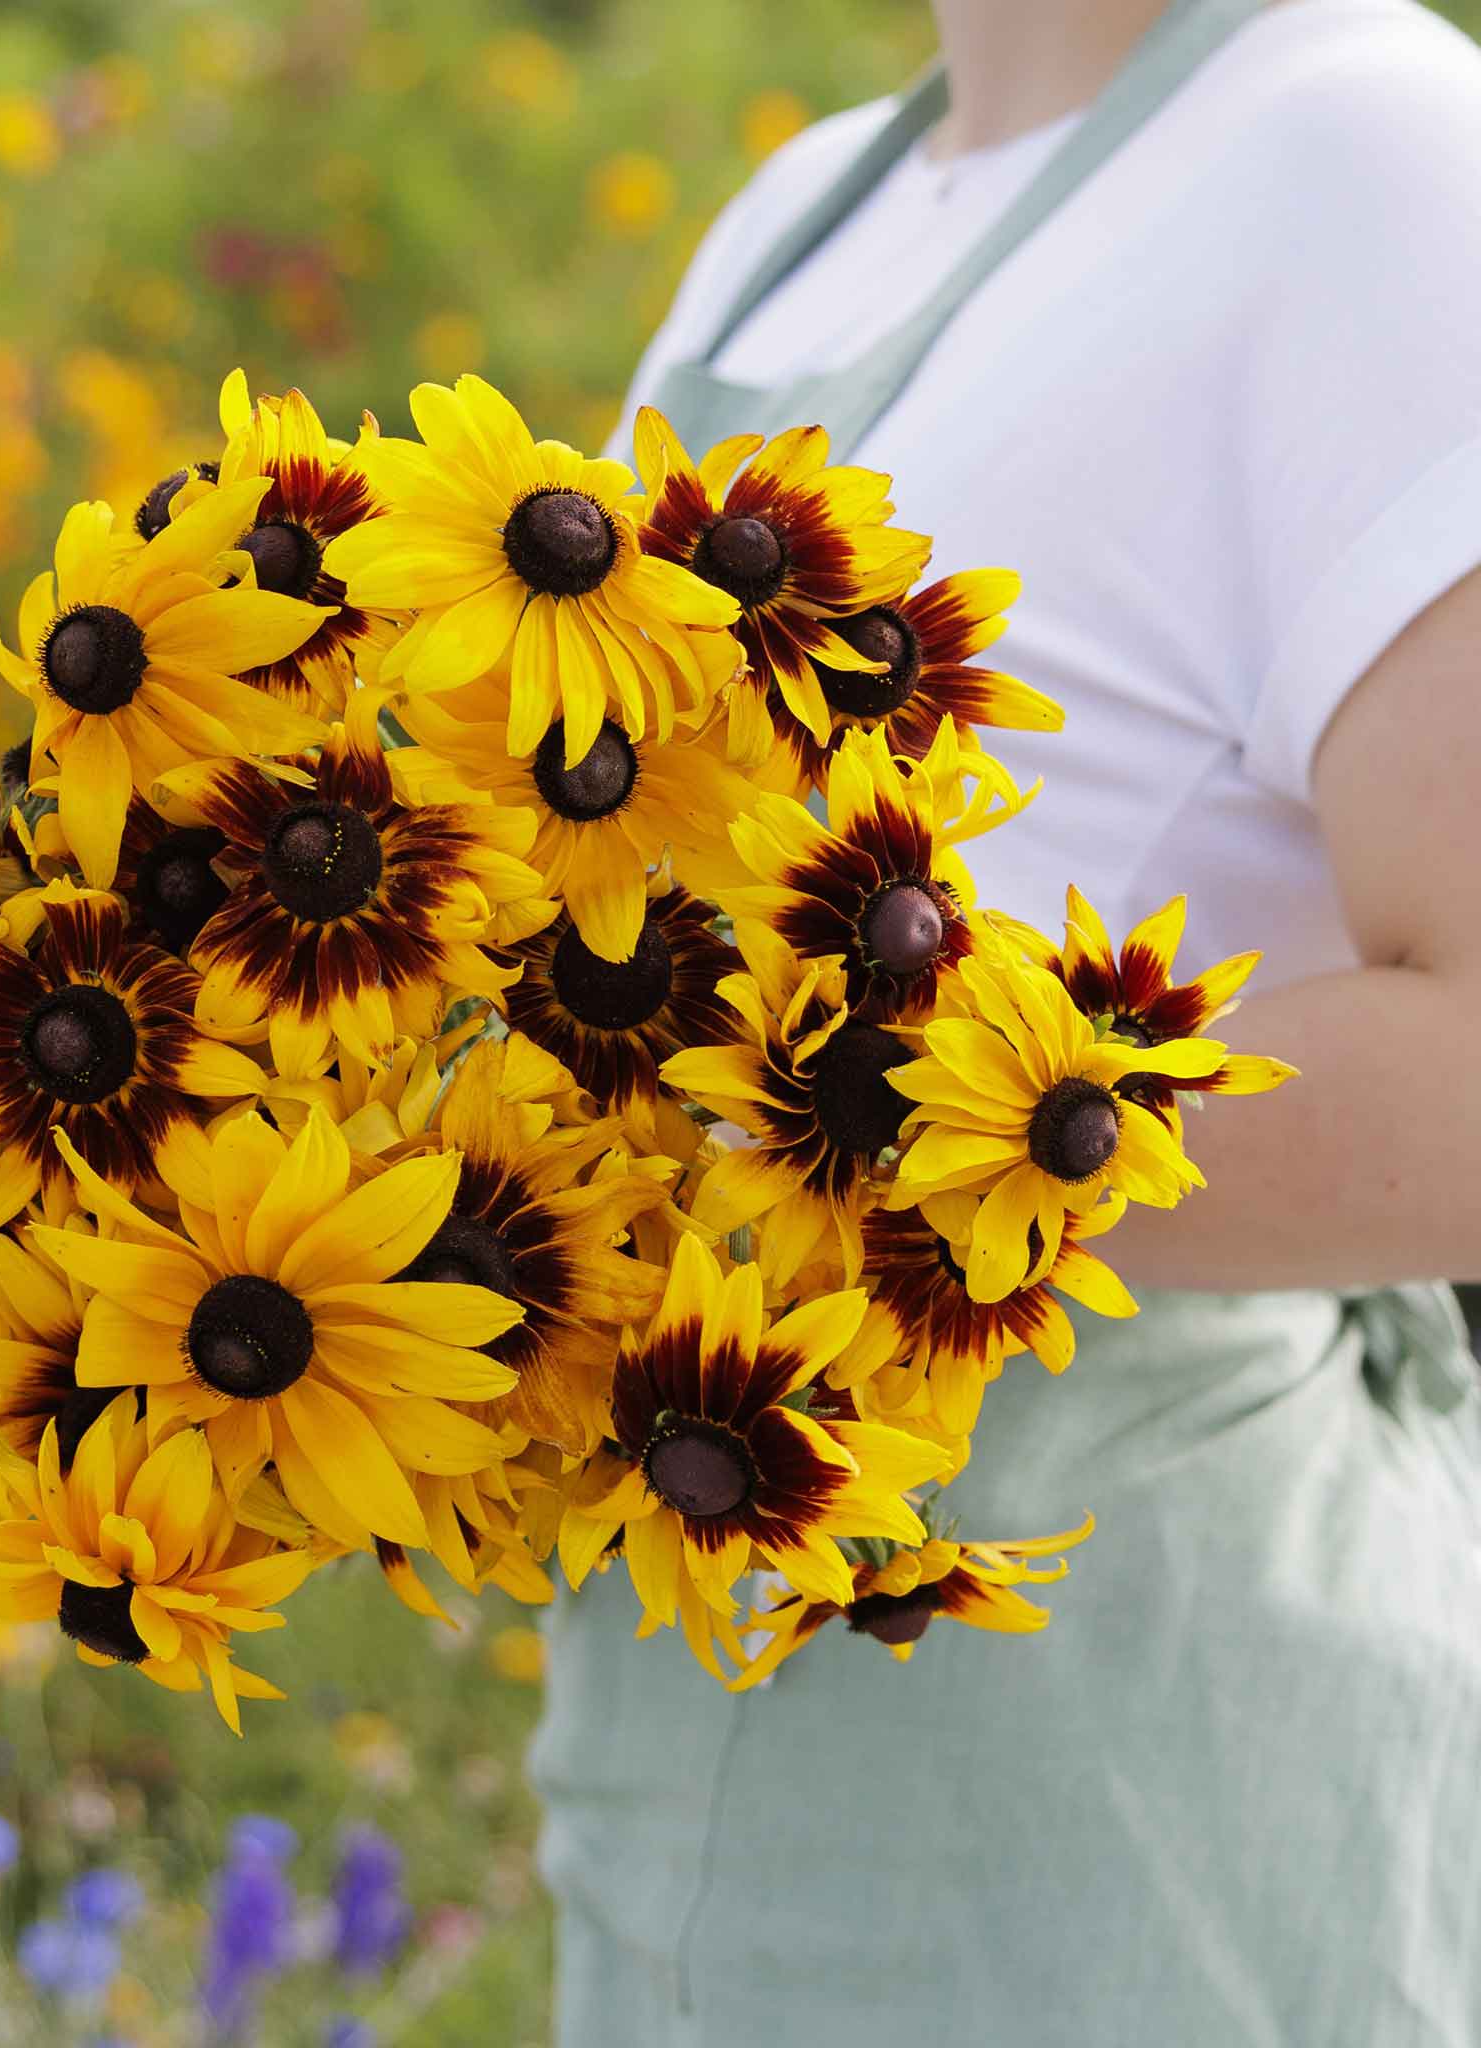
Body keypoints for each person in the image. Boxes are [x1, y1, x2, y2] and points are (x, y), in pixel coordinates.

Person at [529, 1, 1481, 2041]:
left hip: (1127, 1747)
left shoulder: (1376, 155)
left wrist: (838, 1141)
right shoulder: (808, 209)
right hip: (685, 1730)